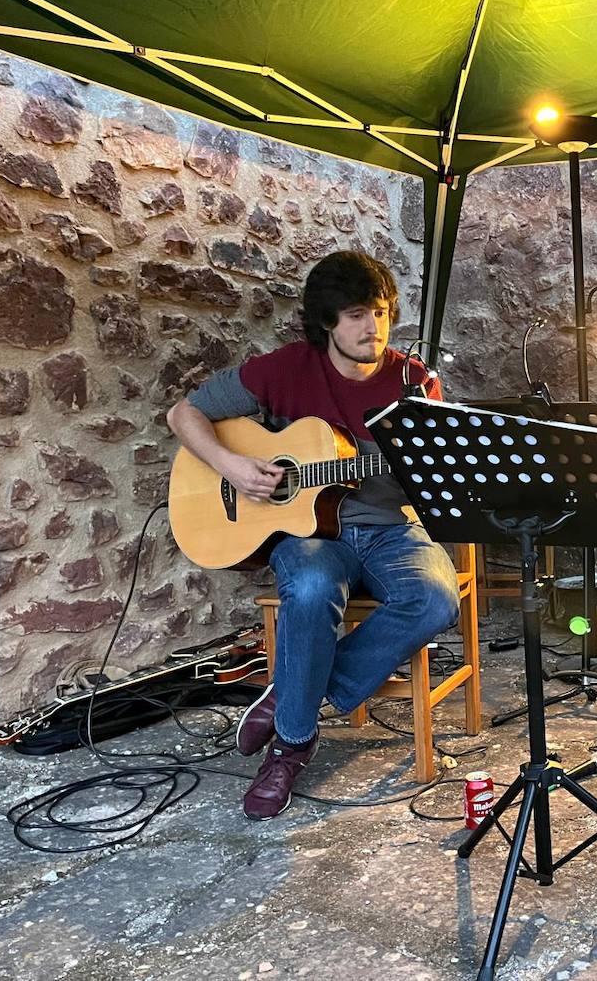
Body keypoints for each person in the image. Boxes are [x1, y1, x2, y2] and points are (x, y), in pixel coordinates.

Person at [167, 250, 460, 820]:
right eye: (354, 315)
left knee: (433, 599)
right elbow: (185, 415)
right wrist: (232, 466)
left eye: (378, 312)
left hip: (390, 530)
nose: (371, 327)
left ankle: (293, 696)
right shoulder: (284, 369)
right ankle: (292, 746)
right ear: (326, 321)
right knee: (308, 589)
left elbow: (436, 479)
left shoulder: (414, 382)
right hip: (312, 536)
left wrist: (432, 467)